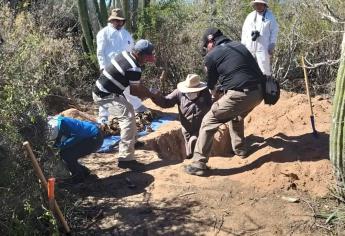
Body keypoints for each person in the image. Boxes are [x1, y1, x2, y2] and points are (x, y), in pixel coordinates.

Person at [184, 28, 264, 176]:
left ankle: (198, 163)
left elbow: (211, 86)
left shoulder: (212, 55)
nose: (205, 49)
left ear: (210, 41)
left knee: (208, 121)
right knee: (236, 115)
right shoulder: (240, 46)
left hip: (241, 94)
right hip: (260, 93)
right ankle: (240, 150)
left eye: (205, 45)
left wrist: (214, 100)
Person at [92, 39, 156, 169]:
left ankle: (131, 141)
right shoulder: (134, 67)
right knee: (127, 118)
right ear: (139, 54)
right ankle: (126, 158)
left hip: (104, 91)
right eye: (147, 56)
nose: (147, 60)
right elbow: (135, 90)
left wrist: (146, 92)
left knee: (130, 111)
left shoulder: (124, 54)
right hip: (105, 95)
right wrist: (152, 94)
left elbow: (135, 85)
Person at [96, 8, 146, 121]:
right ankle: (103, 117)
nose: (119, 23)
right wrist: (102, 67)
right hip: (110, 69)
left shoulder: (127, 34)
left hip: (125, 68)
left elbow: (132, 51)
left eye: (121, 21)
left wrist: (135, 66)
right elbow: (100, 52)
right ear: (111, 20)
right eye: (116, 20)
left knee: (128, 88)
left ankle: (138, 107)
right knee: (106, 91)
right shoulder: (103, 33)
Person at [151, 74, 212, 159]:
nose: (191, 93)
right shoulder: (178, 93)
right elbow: (166, 102)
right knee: (190, 150)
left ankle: (199, 160)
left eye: (194, 91)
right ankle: (190, 157)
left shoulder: (206, 93)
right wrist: (155, 97)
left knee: (199, 145)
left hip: (201, 127)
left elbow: (213, 106)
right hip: (186, 127)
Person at [47, 116, 105, 184]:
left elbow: (76, 136)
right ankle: (84, 172)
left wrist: (62, 146)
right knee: (65, 153)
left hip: (94, 138)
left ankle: (78, 178)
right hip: (87, 137)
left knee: (67, 155)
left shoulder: (64, 125)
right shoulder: (55, 124)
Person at [241, 0, 279, 76]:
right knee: (249, 68)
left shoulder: (270, 16)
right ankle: (251, 87)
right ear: (254, 5)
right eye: (257, 4)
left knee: (264, 70)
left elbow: (274, 31)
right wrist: (243, 45)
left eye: (260, 4)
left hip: (263, 48)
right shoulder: (250, 16)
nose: (258, 6)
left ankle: (266, 86)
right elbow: (244, 32)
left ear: (264, 5)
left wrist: (272, 44)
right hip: (249, 47)